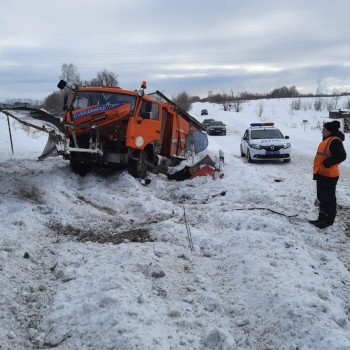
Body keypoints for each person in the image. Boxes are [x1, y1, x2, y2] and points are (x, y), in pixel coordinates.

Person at [309, 120, 347, 229]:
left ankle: (328, 220)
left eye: (324, 130)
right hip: (322, 174)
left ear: (329, 131)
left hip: (329, 175)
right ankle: (321, 218)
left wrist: (327, 163)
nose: (322, 131)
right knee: (322, 197)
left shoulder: (335, 141)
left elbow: (342, 156)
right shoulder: (327, 140)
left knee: (328, 199)